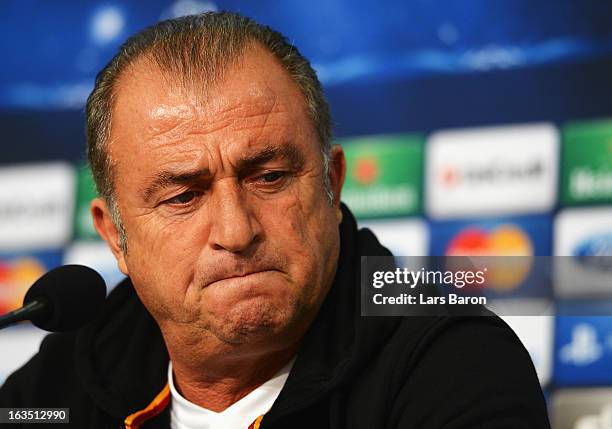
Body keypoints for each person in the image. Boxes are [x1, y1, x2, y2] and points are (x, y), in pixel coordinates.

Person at [0, 12, 550, 429]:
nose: (236, 233)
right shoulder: (54, 389)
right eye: (183, 196)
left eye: (269, 178)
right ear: (115, 235)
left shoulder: (454, 362)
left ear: (331, 185)